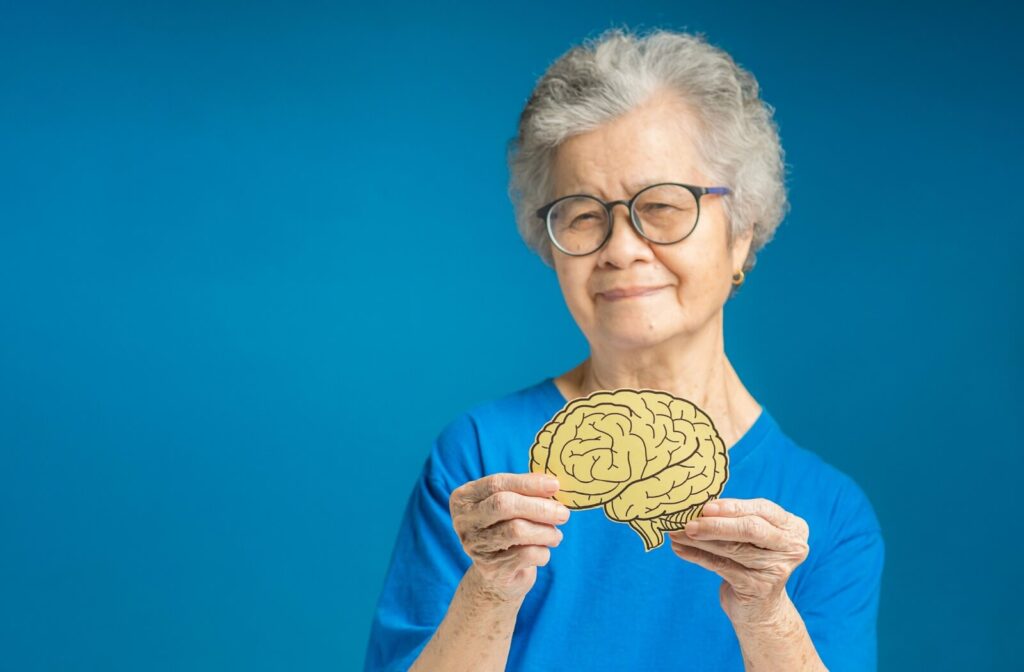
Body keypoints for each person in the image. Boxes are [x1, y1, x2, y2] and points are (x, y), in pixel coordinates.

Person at [363, 27, 884, 672]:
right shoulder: (480, 460)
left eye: (663, 206)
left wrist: (766, 614)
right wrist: (490, 590)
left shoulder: (825, 512)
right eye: (583, 214)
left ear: (743, 235)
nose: (621, 247)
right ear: (549, 246)